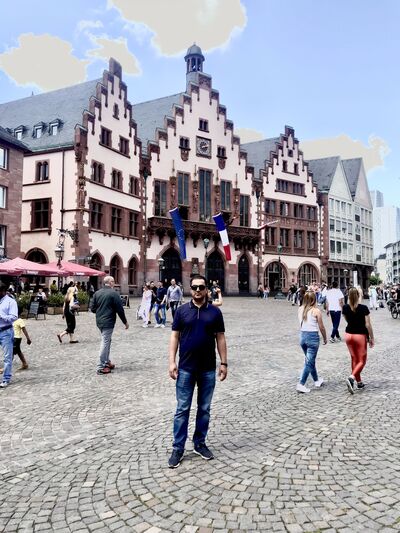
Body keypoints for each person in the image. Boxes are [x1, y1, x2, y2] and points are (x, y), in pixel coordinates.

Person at [168, 275, 227, 468]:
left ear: (207, 289)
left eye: (201, 287)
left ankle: (199, 443)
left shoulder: (215, 312)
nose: (198, 290)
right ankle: (178, 447)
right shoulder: (182, 311)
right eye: (195, 287)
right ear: (190, 289)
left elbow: (220, 338)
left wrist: (224, 363)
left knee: (204, 409)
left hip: (207, 369)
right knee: (182, 409)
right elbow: (174, 336)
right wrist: (171, 362)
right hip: (186, 368)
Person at [90, 276, 129, 375]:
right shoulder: (114, 294)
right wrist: (125, 322)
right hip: (108, 321)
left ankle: (106, 361)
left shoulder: (97, 293)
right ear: (110, 282)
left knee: (107, 340)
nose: (114, 283)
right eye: (114, 281)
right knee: (105, 341)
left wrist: (101, 311)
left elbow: (92, 308)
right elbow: (120, 310)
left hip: (99, 321)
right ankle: (101, 366)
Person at [342, 287, 375, 394]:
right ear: (358, 296)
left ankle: (359, 382)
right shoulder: (363, 308)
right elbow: (368, 325)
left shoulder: (345, 307)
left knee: (354, 359)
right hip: (360, 336)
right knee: (362, 361)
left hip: (348, 335)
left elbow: (347, 320)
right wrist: (371, 337)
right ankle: (351, 378)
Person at [297, 291, 327, 393]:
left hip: (302, 336)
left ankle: (316, 380)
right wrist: (325, 338)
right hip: (312, 337)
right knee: (309, 362)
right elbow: (321, 327)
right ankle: (301, 384)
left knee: (310, 360)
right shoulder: (316, 311)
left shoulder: (300, 309)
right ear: (314, 300)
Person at [0, 282, 18, 389]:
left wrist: (2, 316)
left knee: (7, 357)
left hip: (5, 331)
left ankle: (6, 379)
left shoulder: (11, 302)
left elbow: (14, 317)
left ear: (2, 291)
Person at [12, 306, 32, 371]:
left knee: (11, 353)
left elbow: (24, 330)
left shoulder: (20, 320)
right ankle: (24, 363)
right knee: (18, 351)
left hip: (16, 339)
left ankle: (6, 367)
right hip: (12, 338)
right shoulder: (11, 320)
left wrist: (28, 338)